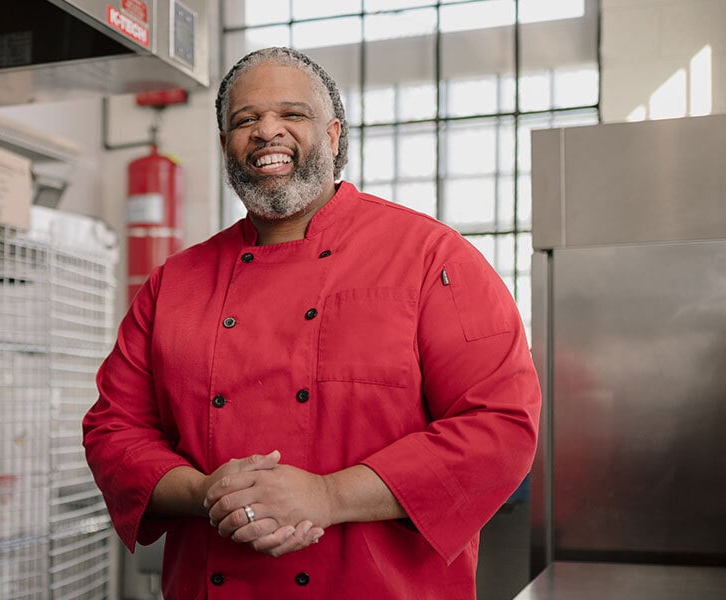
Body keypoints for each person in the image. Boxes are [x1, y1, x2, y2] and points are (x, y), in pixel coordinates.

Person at [83, 47, 540, 599]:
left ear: (333, 135)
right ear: (225, 143)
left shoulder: (431, 258)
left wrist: (329, 496)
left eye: (291, 115)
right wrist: (208, 491)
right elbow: (114, 430)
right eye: (245, 120)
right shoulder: (174, 284)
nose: (265, 132)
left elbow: (499, 424)